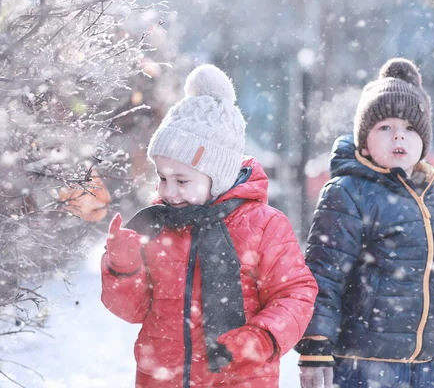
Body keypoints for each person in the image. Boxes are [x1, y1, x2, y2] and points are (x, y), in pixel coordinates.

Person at [101, 64, 318, 388]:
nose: (168, 191)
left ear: (218, 175)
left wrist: (261, 337)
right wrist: (123, 266)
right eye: (162, 177)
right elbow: (134, 311)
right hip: (162, 379)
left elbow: (296, 293)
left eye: (182, 180)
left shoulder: (264, 226)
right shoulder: (158, 225)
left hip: (241, 376)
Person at [296, 58, 434, 388]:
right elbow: (323, 275)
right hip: (364, 363)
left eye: (409, 128)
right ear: (364, 140)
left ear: (423, 140)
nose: (398, 137)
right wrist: (315, 346)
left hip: (422, 365)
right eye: (385, 127)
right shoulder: (348, 192)